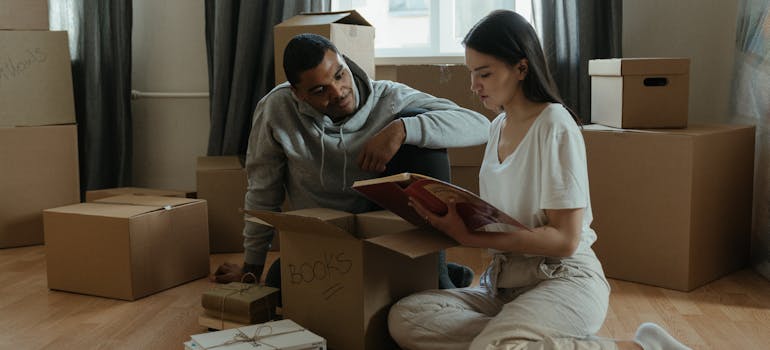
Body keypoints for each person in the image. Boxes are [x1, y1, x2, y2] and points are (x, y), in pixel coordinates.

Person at [387, 10, 691, 350]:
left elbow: (565, 239)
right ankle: (530, 336)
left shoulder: (554, 124)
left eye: (484, 73)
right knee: (406, 316)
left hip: (562, 278)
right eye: (471, 73)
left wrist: (470, 238)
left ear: (521, 68)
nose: (474, 86)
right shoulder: (496, 127)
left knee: (496, 346)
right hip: (503, 282)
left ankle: (643, 347)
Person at [212, 33, 490, 291]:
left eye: (339, 75)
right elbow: (263, 191)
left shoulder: (389, 97)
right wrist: (251, 270)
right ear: (298, 94)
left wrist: (402, 129)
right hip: (327, 237)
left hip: (385, 230)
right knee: (278, 285)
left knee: (420, 123)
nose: (338, 92)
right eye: (320, 90)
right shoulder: (277, 108)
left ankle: (437, 275)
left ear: (344, 61)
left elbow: (480, 125)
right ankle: (415, 274)